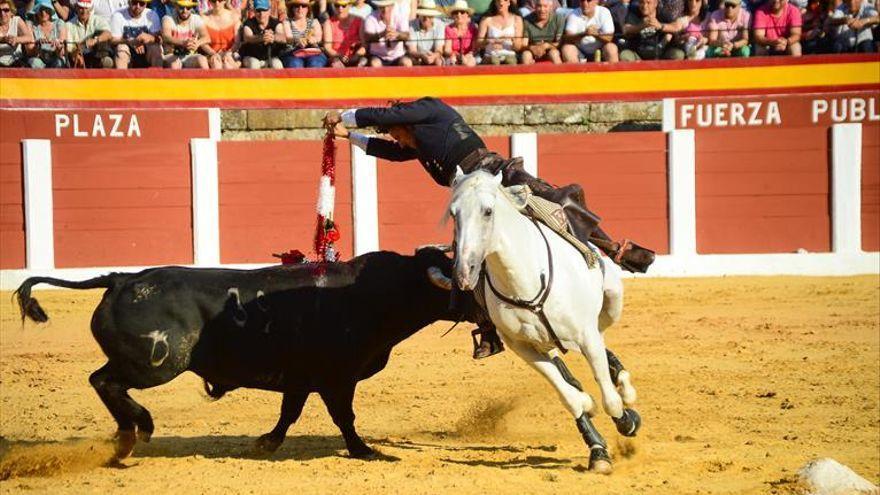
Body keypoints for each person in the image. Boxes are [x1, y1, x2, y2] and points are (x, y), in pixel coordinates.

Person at [322, 98, 656, 358]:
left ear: (403, 121)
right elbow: (392, 153)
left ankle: (612, 249)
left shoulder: (430, 110)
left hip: (498, 173)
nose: (398, 140)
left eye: (397, 133)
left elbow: (385, 118)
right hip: (471, 197)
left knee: (555, 201)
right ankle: (489, 327)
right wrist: (349, 136)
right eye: (394, 137)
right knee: (467, 263)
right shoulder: (422, 146)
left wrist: (345, 117)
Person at [110, 0, 162, 68]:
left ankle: (157, 76)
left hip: (146, 51)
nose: (138, 6)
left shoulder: (151, 14)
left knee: (156, 48)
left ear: (146, 4)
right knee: (121, 49)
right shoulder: (118, 15)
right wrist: (130, 41)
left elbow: (160, 40)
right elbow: (113, 40)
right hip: (127, 52)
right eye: (134, 2)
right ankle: (121, 77)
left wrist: (149, 38)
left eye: (141, 3)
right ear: (129, 2)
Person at [161, 0, 209, 68]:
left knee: (202, 60)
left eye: (188, 7)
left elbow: (207, 37)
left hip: (189, 56)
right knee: (174, 64)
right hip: (171, 55)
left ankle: (207, 78)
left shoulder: (196, 18)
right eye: (181, 7)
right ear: (176, 6)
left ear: (192, 7)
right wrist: (183, 43)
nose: (185, 10)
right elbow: (166, 36)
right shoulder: (168, 18)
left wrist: (197, 43)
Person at [66, 0, 113, 67]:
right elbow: (69, 49)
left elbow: (108, 34)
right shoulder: (69, 25)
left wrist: (95, 40)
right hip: (79, 55)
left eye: (86, 8)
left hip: (96, 53)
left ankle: (102, 60)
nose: (84, 11)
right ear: (76, 8)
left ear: (91, 9)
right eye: (81, 8)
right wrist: (77, 55)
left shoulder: (98, 20)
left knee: (101, 33)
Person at [363, 0, 411, 66]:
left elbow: (407, 36)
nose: (385, 9)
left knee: (407, 63)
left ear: (392, 6)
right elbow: (368, 38)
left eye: (387, 6)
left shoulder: (400, 16)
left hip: (398, 56)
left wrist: (397, 34)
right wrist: (382, 34)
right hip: (377, 55)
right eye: (382, 7)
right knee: (375, 64)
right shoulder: (370, 18)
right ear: (378, 6)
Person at [239, 0, 284, 68]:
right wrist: (261, 37)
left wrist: (273, 37)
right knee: (254, 64)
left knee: (277, 65)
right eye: (258, 10)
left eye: (264, 10)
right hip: (251, 56)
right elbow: (247, 37)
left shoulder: (276, 23)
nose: (261, 14)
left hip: (271, 57)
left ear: (269, 11)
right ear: (254, 11)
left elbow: (283, 37)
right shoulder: (248, 23)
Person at [281, 0, 326, 67]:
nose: (300, 9)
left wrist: (313, 39)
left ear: (308, 8)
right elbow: (288, 37)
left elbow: (318, 37)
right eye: (297, 6)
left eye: (304, 6)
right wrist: (297, 40)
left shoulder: (314, 22)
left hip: (313, 52)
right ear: (292, 8)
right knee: (295, 64)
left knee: (315, 64)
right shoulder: (287, 22)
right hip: (293, 53)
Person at [477, 0, 523, 64]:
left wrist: (511, 39)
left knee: (510, 61)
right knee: (494, 61)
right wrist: (489, 41)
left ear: (509, 3)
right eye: (498, 0)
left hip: (510, 55)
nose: (501, 2)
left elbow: (518, 47)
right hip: (491, 55)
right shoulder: (486, 20)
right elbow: (478, 43)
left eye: (504, 0)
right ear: (495, 2)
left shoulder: (517, 19)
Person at [322, 0, 365, 66]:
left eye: (344, 6)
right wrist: (339, 55)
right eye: (337, 5)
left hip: (356, 56)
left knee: (362, 64)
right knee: (336, 65)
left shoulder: (359, 20)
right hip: (336, 57)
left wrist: (356, 56)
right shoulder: (328, 23)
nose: (340, 8)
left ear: (350, 6)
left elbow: (364, 45)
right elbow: (327, 47)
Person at [26, 0, 67, 67]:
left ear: (51, 10)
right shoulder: (30, 25)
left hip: (56, 57)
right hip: (38, 58)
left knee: (59, 62)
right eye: (40, 10)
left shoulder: (59, 23)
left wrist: (58, 46)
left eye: (46, 9)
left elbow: (62, 52)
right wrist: (37, 46)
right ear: (36, 11)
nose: (43, 13)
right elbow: (30, 52)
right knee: (34, 62)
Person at [202, 0, 241, 68]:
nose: (217, 3)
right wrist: (213, 53)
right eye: (213, 1)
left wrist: (228, 53)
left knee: (227, 64)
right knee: (216, 63)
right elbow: (203, 43)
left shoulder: (234, 16)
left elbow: (237, 43)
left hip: (231, 53)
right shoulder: (204, 18)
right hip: (211, 54)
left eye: (220, 0)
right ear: (209, 1)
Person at [407, 0, 444, 65]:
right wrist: (422, 55)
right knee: (413, 61)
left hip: (433, 56)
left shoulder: (440, 25)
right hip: (417, 57)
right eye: (424, 16)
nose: (426, 19)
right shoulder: (411, 25)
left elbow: (439, 50)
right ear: (420, 15)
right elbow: (412, 51)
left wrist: (433, 56)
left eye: (429, 16)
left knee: (439, 61)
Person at [0, 0, 34, 67]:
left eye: (6, 10)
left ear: (12, 12)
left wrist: (15, 39)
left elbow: (29, 38)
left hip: (16, 61)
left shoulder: (17, 20)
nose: (2, 13)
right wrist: (3, 39)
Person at [443, 0, 477, 65]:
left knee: (470, 62)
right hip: (453, 56)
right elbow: (447, 50)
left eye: (462, 12)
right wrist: (457, 55)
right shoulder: (448, 28)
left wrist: (467, 56)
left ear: (467, 15)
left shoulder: (473, 28)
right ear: (452, 15)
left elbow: (474, 49)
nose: (459, 14)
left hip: (469, 56)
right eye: (456, 12)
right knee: (452, 60)